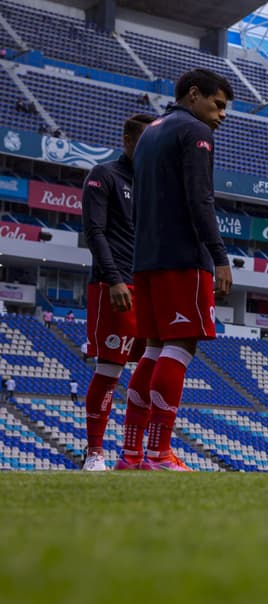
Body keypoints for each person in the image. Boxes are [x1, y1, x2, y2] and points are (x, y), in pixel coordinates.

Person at [129, 69, 234, 471]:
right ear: (194, 95)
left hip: (148, 258)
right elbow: (200, 198)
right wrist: (219, 256)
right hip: (183, 258)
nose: (222, 115)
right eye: (218, 104)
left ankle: (134, 453)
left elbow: (138, 203)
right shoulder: (195, 132)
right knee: (180, 346)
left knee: (154, 348)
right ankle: (159, 454)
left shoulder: (150, 132)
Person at [81, 112, 155, 471]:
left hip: (150, 288)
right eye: (144, 142)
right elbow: (95, 232)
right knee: (111, 368)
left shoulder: (155, 185)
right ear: (127, 140)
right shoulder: (104, 175)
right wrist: (113, 280)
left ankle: (134, 455)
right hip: (115, 286)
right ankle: (94, 453)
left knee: (149, 370)